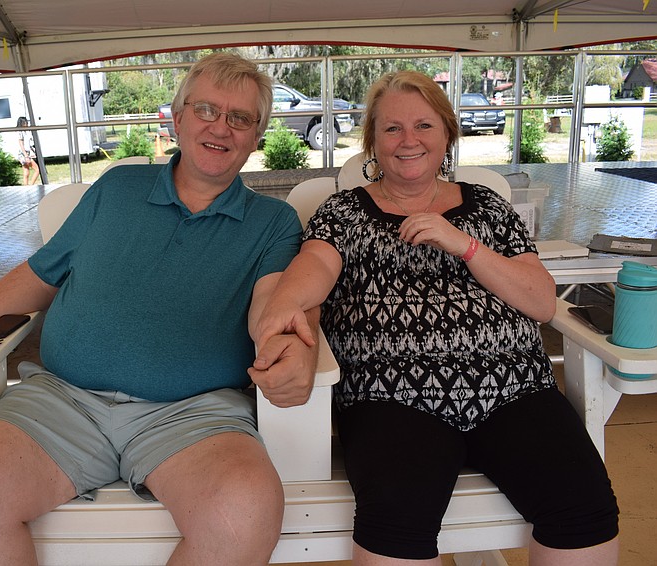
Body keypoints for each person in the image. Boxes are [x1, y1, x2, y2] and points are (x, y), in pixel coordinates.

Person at [0, 51, 318, 566]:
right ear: (178, 118)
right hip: (62, 403)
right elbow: (43, 273)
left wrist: (290, 352)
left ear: (257, 135)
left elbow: (274, 305)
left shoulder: (274, 222)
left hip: (193, 415)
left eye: (240, 118)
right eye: (206, 110)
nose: (220, 128)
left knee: (245, 511)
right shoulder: (116, 188)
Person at [253, 70, 619, 565]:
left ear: (447, 134)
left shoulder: (487, 207)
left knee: (583, 506)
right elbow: (315, 266)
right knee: (397, 519)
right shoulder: (343, 213)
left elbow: (540, 301)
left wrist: (464, 245)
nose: (409, 141)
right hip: (392, 392)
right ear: (372, 142)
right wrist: (283, 310)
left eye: (424, 126)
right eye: (392, 128)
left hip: (512, 388)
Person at [16, 116, 40, 185]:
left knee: (26, 171)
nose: (26, 124)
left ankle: (26, 186)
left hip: (23, 153)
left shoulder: (24, 131)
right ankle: (31, 185)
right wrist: (26, 156)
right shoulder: (21, 132)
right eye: (25, 123)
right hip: (24, 154)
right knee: (37, 170)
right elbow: (21, 144)